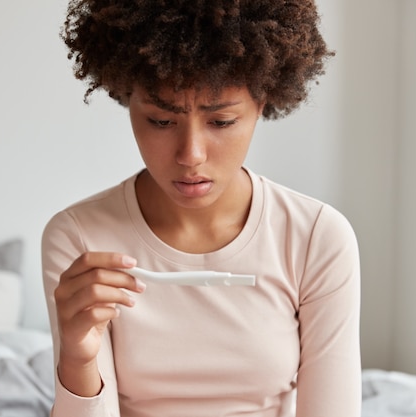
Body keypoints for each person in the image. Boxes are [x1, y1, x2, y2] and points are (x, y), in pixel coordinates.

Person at [41, 1, 361, 416]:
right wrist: (78, 359)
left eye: (221, 122)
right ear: (127, 98)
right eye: (160, 121)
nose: (190, 155)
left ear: (262, 103)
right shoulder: (80, 236)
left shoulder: (316, 237)